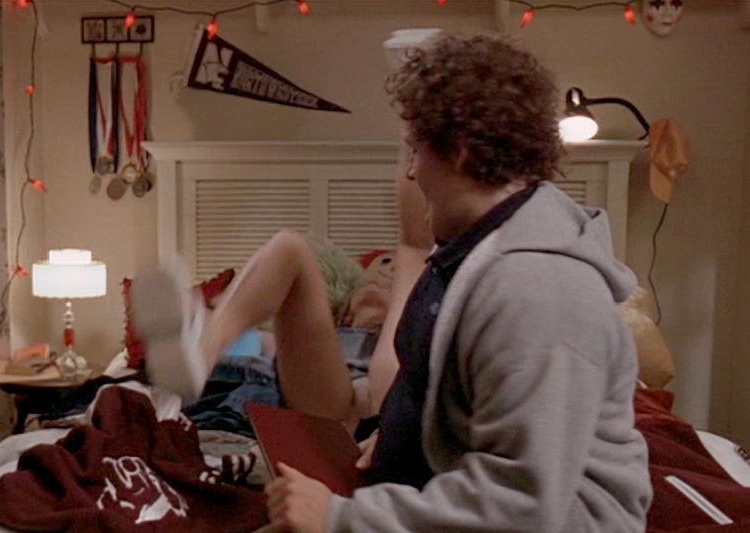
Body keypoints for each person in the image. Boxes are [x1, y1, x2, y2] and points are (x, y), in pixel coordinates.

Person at [132, 34, 651, 532]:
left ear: (460, 151)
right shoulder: (472, 255)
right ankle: (209, 341)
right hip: (420, 476)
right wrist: (408, 437)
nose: (410, 174)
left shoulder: (537, 291)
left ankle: (209, 341)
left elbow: (526, 507)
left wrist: (338, 518)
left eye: (414, 150)